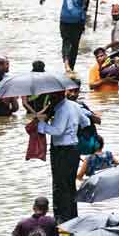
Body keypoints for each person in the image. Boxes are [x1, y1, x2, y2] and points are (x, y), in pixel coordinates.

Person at [36, 91, 93, 223]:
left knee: (60, 186)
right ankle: (72, 217)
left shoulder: (61, 109)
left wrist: (42, 125)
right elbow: (86, 122)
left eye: (51, 96)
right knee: (70, 185)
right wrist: (72, 130)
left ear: (56, 96)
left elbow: (58, 130)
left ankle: (62, 219)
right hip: (73, 150)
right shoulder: (74, 105)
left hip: (62, 151)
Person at [41, 0, 88, 72]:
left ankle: (66, 63)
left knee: (66, 41)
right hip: (78, 19)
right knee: (75, 44)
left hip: (65, 17)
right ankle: (71, 67)